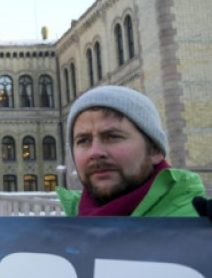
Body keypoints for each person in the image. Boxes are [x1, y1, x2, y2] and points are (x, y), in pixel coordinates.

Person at [57, 85, 207, 217]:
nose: (95, 152)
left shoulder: (198, 224)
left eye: (112, 137)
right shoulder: (67, 228)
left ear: (154, 149)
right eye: (83, 141)